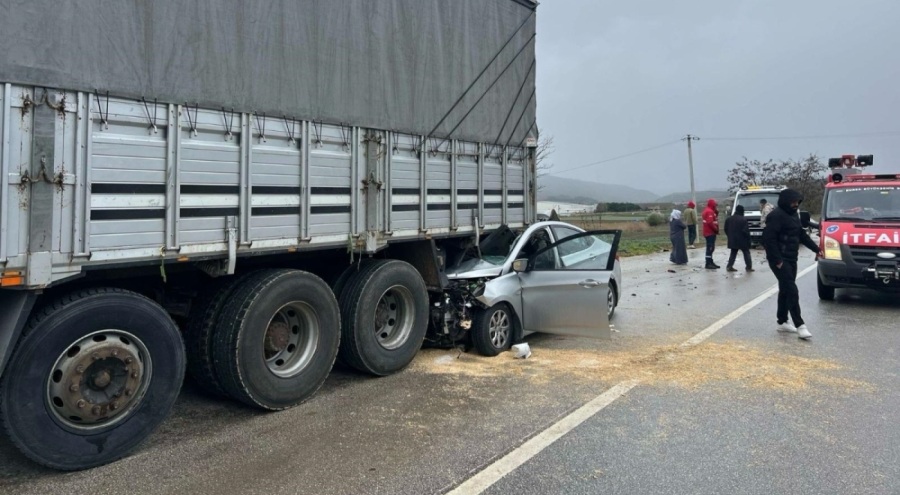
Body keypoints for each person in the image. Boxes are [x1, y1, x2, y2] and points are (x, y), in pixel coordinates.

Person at [761, 188, 824, 340]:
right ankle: (800, 325)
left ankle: (782, 321)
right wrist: (777, 260)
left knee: (785, 289)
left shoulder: (794, 215)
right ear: (785, 201)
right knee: (791, 289)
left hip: (791, 258)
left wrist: (817, 249)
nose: (796, 204)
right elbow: (768, 240)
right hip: (779, 260)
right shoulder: (775, 216)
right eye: (793, 202)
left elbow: (801, 235)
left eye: (797, 202)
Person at [724, 205, 752, 272]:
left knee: (733, 253)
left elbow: (725, 229)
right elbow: (746, 231)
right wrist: (749, 239)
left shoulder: (729, 219)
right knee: (746, 253)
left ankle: (729, 266)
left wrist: (729, 236)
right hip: (742, 240)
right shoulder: (743, 219)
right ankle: (748, 267)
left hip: (733, 239)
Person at [701, 198, 720, 269]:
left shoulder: (709, 211)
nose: (716, 206)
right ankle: (708, 263)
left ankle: (710, 261)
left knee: (710, 248)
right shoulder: (709, 212)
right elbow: (710, 222)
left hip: (708, 232)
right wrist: (716, 230)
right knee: (710, 248)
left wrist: (716, 213)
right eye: (715, 205)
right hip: (710, 232)